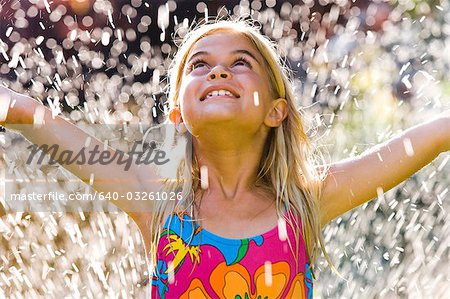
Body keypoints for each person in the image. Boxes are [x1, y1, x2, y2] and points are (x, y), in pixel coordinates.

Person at [0, 19, 449, 298]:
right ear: (178, 114)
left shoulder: (305, 204)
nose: (217, 70)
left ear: (276, 110)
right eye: (198, 65)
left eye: (240, 63)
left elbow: (424, 139)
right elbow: (31, 117)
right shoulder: (159, 207)